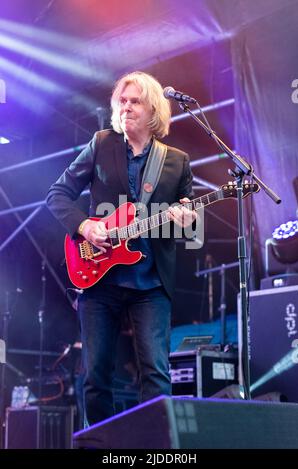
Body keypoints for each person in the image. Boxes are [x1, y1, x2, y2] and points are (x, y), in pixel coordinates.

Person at [46, 71, 198, 426]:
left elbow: (191, 224)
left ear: (153, 109)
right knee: (96, 377)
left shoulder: (176, 161)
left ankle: (155, 449)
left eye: (135, 101)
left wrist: (186, 219)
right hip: (99, 280)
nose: (126, 107)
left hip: (150, 283)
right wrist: (85, 225)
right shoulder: (102, 143)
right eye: (122, 101)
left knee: (157, 375)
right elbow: (58, 194)